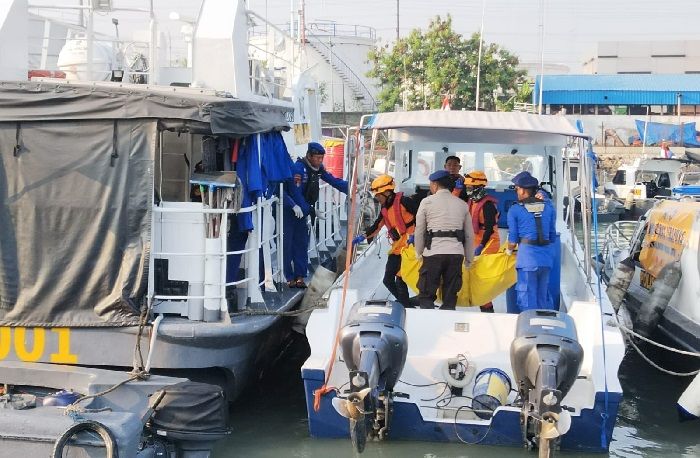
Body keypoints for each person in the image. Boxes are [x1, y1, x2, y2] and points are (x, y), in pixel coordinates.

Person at [283, 142, 348, 288]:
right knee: (287, 245)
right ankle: (288, 277)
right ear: (309, 156)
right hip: (290, 211)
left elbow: (331, 179)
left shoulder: (317, 169)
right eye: (317, 158)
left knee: (301, 243)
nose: (319, 161)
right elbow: (295, 193)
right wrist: (310, 210)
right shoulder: (298, 170)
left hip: (303, 210)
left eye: (321, 158)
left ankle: (300, 276)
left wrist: (349, 188)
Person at [352, 174, 420, 308]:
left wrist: (417, 235)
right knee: (388, 280)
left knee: (401, 278)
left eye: (378, 196)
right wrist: (363, 236)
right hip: (397, 247)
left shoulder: (405, 202)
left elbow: (422, 217)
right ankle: (405, 302)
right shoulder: (384, 210)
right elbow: (377, 225)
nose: (377, 199)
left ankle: (406, 305)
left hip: (410, 246)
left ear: (388, 192)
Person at [414, 170, 474, 310]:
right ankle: (448, 319)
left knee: (426, 295)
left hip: (433, 253)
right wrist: (469, 259)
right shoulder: (462, 204)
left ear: (435, 184)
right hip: (456, 254)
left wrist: (418, 251)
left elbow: (420, 231)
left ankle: (429, 326)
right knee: (450, 296)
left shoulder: (426, 202)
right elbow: (469, 235)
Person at [506, 171, 556, 312]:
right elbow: (552, 235)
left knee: (526, 295)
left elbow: (513, 238)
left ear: (522, 190)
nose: (517, 192)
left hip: (527, 259)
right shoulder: (549, 207)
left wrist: (508, 251)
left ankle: (530, 325)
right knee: (543, 295)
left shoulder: (515, 209)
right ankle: (545, 325)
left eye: (517, 189)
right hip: (546, 259)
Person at [464, 171, 500, 313]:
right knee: (476, 276)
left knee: (481, 278)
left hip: (489, 243)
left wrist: (481, 246)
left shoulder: (487, 205)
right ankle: (484, 305)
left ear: (479, 187)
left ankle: (487, 308)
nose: (468, 190)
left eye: (470, 188)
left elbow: (489, 228)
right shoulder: (473, 201)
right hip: (477, 241)